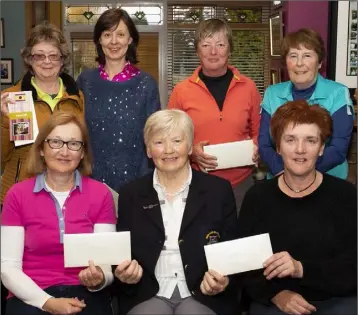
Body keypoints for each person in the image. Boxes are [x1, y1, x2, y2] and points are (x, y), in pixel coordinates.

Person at [112, 109, 239, 315]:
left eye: (177, 141)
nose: (168, 150)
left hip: (202, 293)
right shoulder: (131, 194)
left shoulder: (218, 190)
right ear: (148, 150)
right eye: (159, 142)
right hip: (149, 292)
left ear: (190, 147)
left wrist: (223, 279)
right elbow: (121, 254)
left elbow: (232, 249)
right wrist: (124, 273)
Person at [238, 100, 357, 315]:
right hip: (275, 302)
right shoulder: (257, 198)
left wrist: (301, 268)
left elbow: (353, 267)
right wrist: (276, 295)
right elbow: (246, 269)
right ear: (278, 147)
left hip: (335, 300)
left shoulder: (345, 196)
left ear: (321, 148)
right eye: (290, 140)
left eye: (310, 141)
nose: (300, 150)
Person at [1, 112, 116, 315]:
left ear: (82, 153)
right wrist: (48, 303)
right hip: (30, 294)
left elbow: (105, 268)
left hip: (85, 293)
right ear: (42, 149)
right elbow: (8, 269)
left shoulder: (101, 194)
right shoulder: (17, 195)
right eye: (55, 142)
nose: (64, 151)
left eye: (73, 144)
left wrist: (98, 280)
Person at [167, 18, 261, 212]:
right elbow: (170, 137)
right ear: (197, 50)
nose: (213, 51)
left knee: (240, 240)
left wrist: (258, 148)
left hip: (241, 185)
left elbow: (259, 130)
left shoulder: (249, 87)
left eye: (220, 44)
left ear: (229, 49)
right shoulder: (181, 91)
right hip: (196, 184)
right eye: (206, 45)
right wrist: (191, 152)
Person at [77, 8, 161, 192]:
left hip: (138, 184)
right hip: (90, 182)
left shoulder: (147, 84)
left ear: (130, 39)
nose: (114, 41)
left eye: (121, 34)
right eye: (107, 35)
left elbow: (155, 137)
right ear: (99, 39)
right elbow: (77, 132)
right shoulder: (85, 81)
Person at [0, 22, 84, 204]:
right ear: (29, 59)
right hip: (21, 194)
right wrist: (5, 122)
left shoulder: (76, 97)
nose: (47, 62)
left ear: (62, 60)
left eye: (53, 56)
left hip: (64, 192)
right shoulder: (11, 98)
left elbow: (80, 146)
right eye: (39, 56)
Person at [259, 28, 354, 179]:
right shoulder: (272, 93)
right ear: (286, 62)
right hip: (280, 178)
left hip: (327, 180)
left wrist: (299, 172)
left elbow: (338, 148)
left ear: (320, 62)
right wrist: (284, 173)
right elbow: (264, 144)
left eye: (307, 55)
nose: (299, 63)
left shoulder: (338, 93)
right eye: (293, 56)